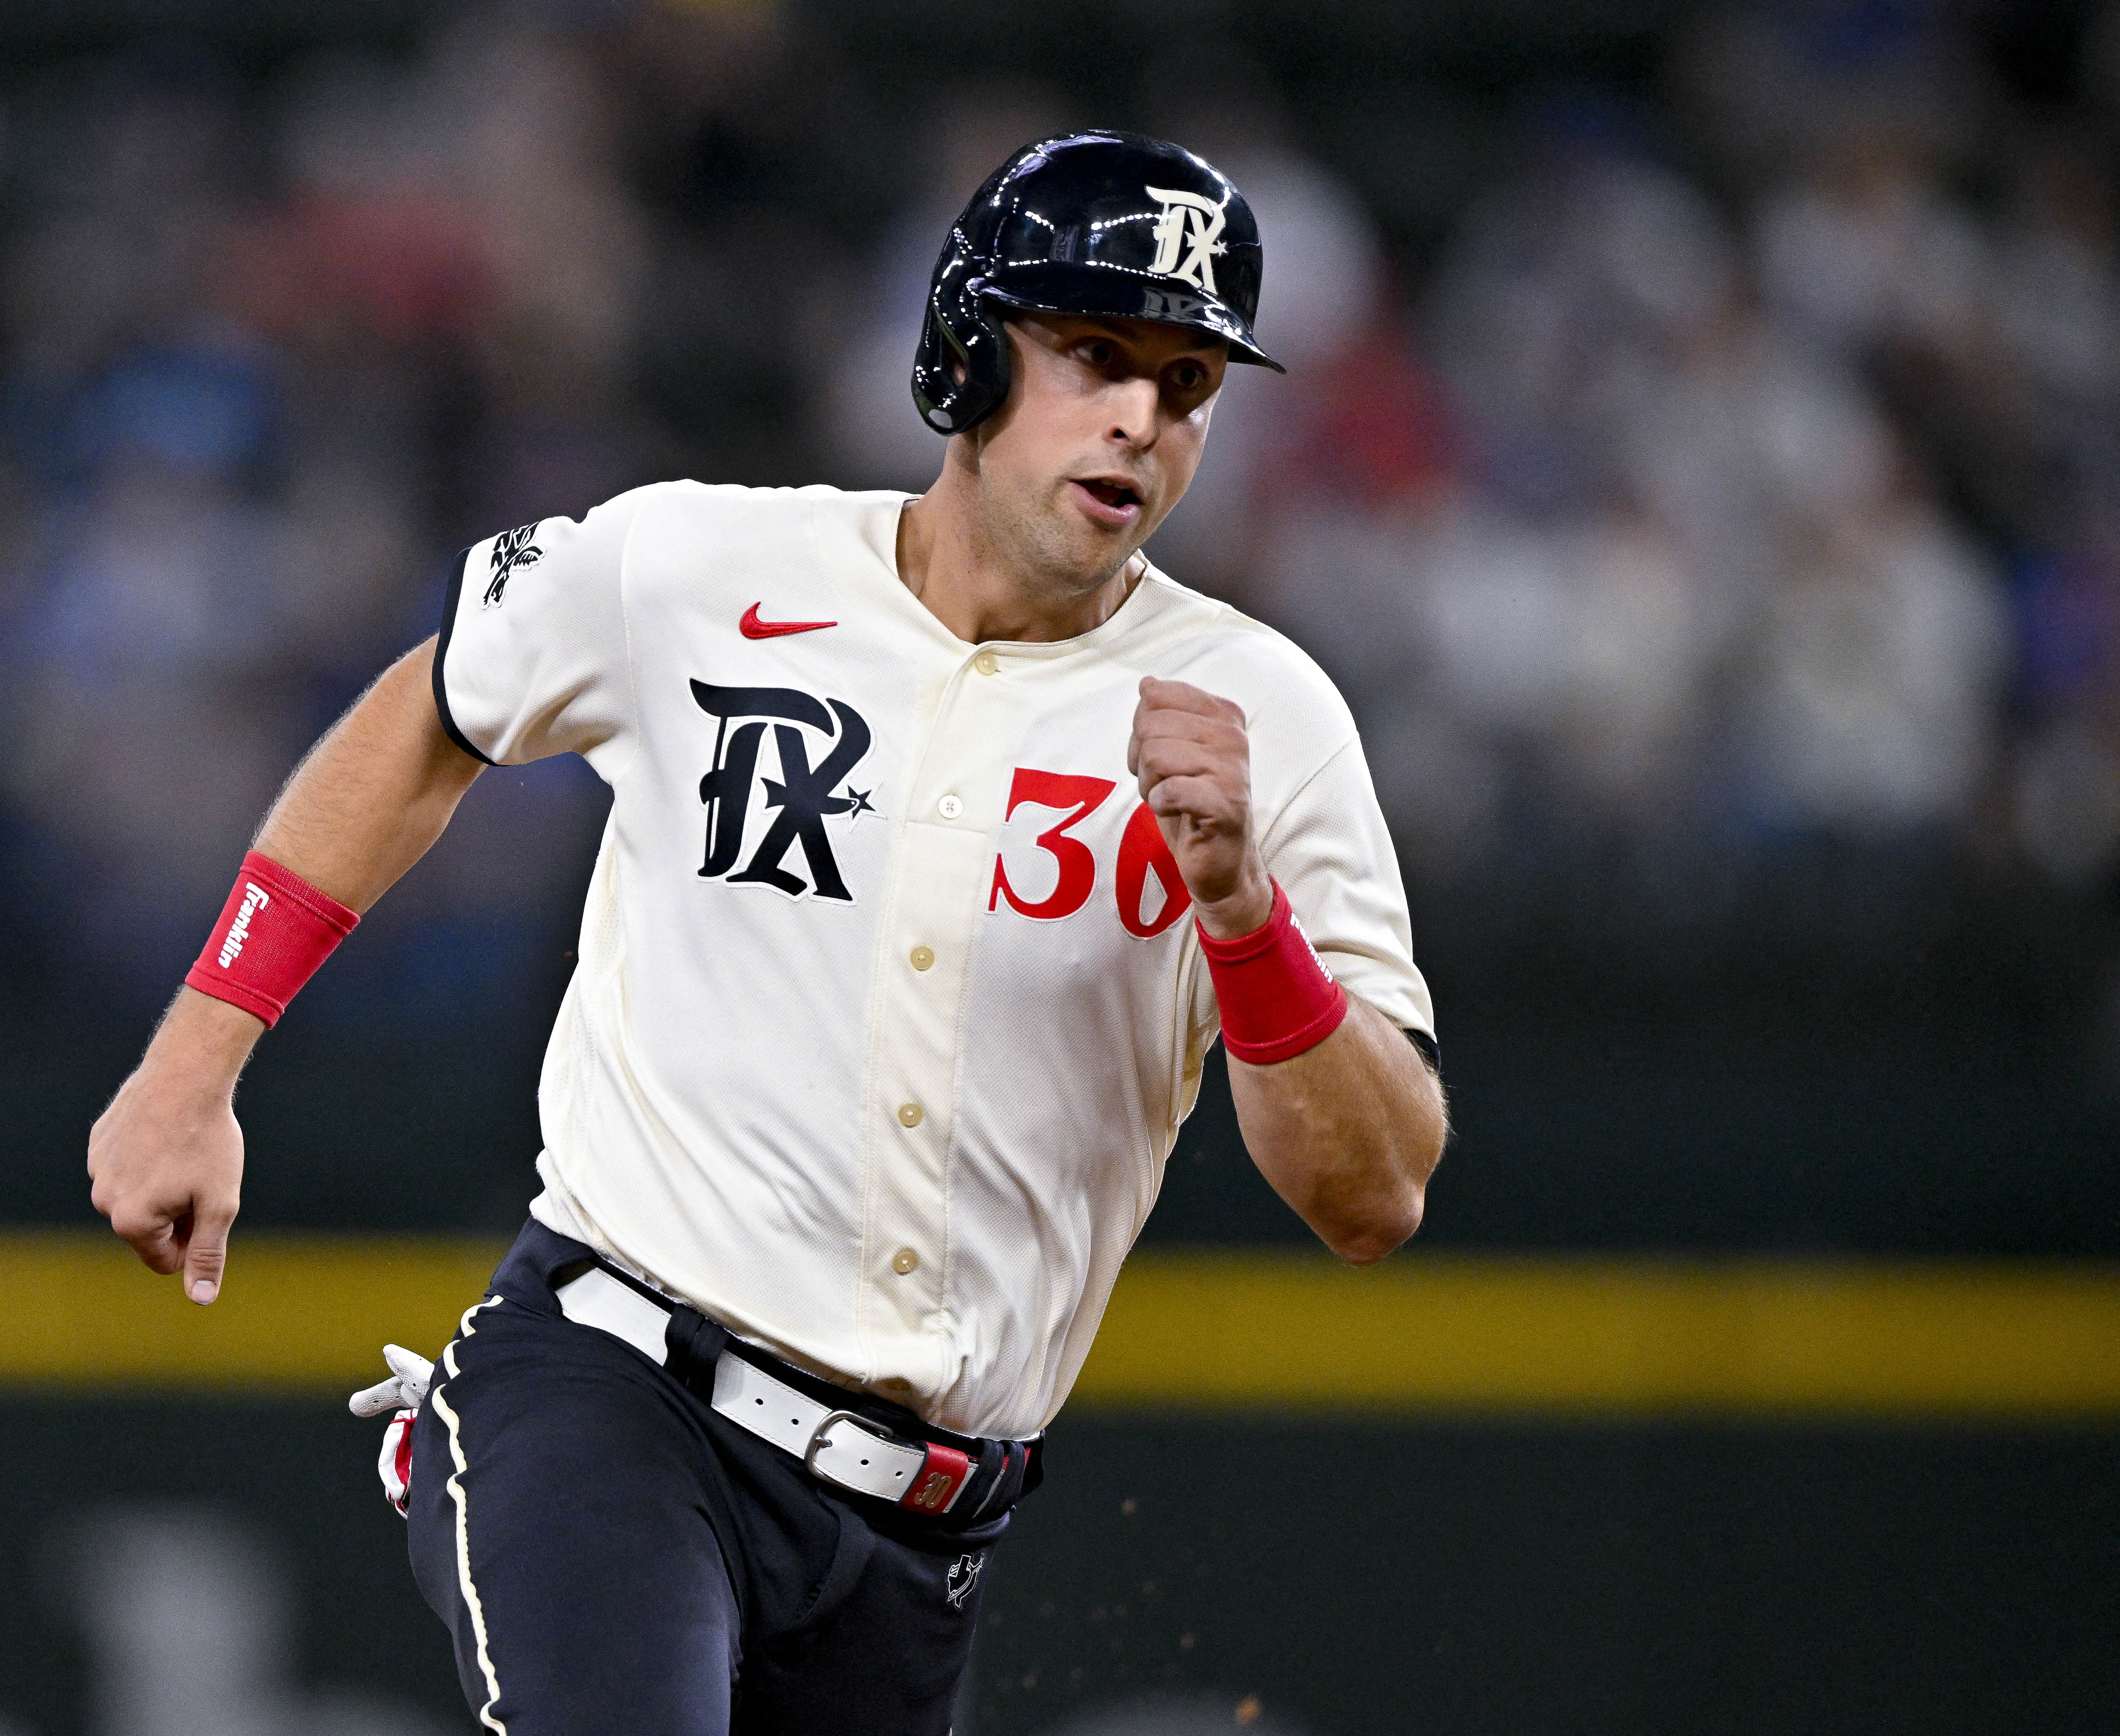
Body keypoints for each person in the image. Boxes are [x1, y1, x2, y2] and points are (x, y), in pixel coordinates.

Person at [88, 130, 1446, 1736]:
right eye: (1092, 352)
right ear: (963, 350)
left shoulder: (1260, 718)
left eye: (1188, 380)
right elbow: (434, 706)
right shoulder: (704, 567)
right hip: (619, 1394)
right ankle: (498, 1446)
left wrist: (1244, 918)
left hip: (921, 1544)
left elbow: (1374, 1192)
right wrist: (195, 1060)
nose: (1141, 416)